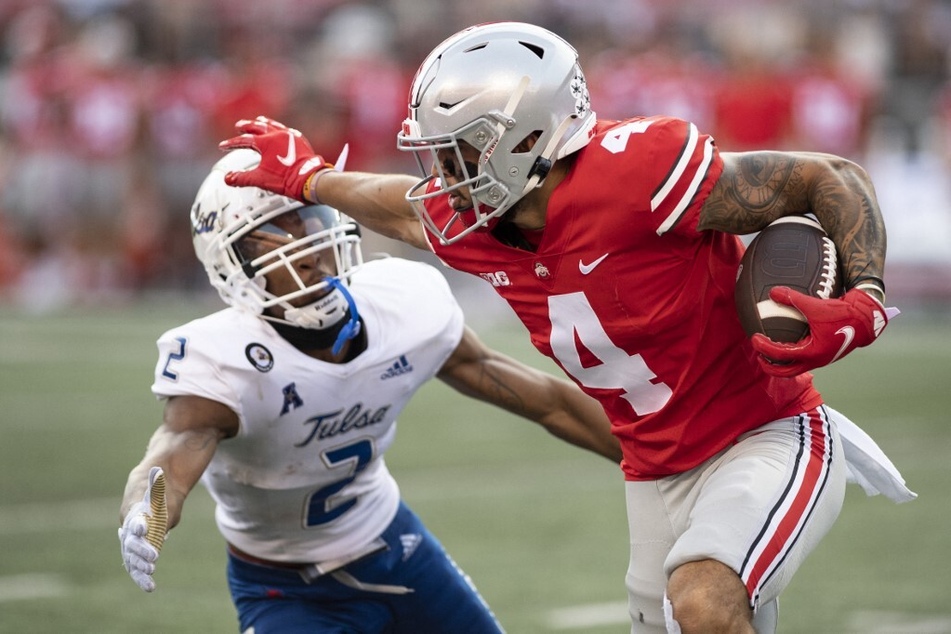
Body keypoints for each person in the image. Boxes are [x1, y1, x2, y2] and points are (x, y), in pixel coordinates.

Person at [217, 21, 918, 634]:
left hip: (763, 435)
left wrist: (865, 297)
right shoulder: (471, 221)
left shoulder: (636, 173)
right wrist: (310, 179)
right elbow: (400, 205)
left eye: (462, 150)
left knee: (702, 600)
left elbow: (826, 177)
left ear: (529, 134)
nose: (446, 174)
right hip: (650, 468)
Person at [118, 147, 621, 634]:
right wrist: (146, 508)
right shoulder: (227, 360)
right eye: (273, 238)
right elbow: (172, 454)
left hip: (395, 548)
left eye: (307, 222)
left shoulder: (399, 304)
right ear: (232, 266)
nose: (306, 247)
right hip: (283, 586)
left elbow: (544, 400)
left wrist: (649, 458)